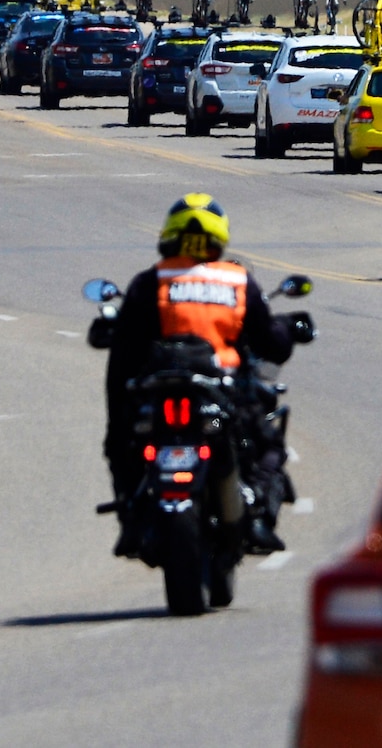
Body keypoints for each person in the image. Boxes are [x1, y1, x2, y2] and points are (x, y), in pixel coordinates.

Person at [103, 194, 304, 554]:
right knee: (268, 445)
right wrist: (286, 330)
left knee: (120, 443)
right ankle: (257, 519)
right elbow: (273, 344)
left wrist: (119, 412)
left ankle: (130, 520)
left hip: (159, 393)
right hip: (223, 394)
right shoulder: (237, 281)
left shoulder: (150, 282)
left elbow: (123, 355)